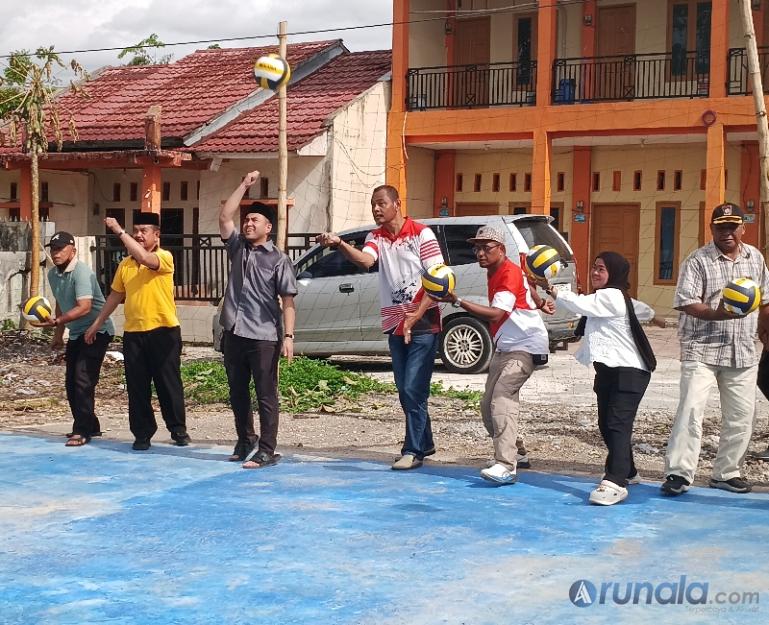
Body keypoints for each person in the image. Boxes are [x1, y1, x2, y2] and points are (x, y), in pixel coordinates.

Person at [317, 185, 444, 470]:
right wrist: (339, 244)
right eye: (373, 204)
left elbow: (438, 281)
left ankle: (412, 450)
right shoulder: (375, 236)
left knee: (413, 386)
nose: (376, 209)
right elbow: (366, 260)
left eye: (381, 203)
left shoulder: (422, 233)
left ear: (397, 204)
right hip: (394, 322)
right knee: (405, 388)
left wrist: (414, 316)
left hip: (423, 321)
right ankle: (425, 441)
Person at [427, 225, 552, 484]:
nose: (480, 253)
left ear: (501, 250)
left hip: (526, 347)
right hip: (505, 346)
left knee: (502, 397)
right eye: (477, 247)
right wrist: (540, 302)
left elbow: (496, 314)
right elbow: (528, 286)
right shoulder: (503, 267)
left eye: (486, 247)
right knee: (487, 406)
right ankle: (516, 450)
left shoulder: (507, 273)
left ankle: (506, 465)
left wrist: (457, 301)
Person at [662, 203, 769, 496]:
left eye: (733, 226)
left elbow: (765, 300)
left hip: (743, 351)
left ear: (742, 228)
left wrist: (766, 332)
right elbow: (685, 301)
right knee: (691, 411)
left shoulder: (756, 258)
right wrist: (717, 314)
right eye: (721, 227)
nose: (727, 232)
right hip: (703, 350)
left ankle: (726, 472)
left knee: (741, 416)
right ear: (711, 229)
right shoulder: (698, 260)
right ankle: (679, 474)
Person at [548, 252, 660, 505]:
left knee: (617, 425)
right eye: (594, 268)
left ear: (615, 273)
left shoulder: (610, 296)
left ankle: (616, 481)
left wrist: (556, 292)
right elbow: (640, 309)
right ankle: (629, 471)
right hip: (610, 370)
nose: (595, 273)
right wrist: (654, 316)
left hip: (628, 372)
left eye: (601, 269)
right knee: (606, 424)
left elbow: (581, 305)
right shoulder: (618, 297)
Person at [85, 213, 190, 451]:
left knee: (168, 383)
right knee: (137, 387)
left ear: (156, 235)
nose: (139, 235)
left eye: (144, 230)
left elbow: (145, 257)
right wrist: (97, 322)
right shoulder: (125, 264)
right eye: (136, 231)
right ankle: (142, 433)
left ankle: (177, 428)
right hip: (134, 334)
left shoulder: (164, 258)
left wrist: (118, 231)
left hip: (164, 331)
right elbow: (115, 295)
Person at [219, 171, 297, 469]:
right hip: (234, 332)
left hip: (264, 336)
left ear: (268, 227)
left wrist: (288, 338)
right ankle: (245, 439)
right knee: (237, 391)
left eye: (255, 221)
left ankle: (267, 449)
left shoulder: (278, 259)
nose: (248, 223)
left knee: (266, 394)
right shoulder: (237, 248)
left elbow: (288, 301)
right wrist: (244, 184)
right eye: (247, 219)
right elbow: (225, 216)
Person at [39, 231, 115, 447]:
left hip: (97, 330)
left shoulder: (81, 272)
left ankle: (82, 430)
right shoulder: (53, 275)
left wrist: (57, 321)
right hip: (76, 333)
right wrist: (57, 334)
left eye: (61, 249)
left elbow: (85, 307)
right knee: (71, 382)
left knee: (83, 379)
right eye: (53, 249)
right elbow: (61, 303)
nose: (56, 254)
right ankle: (91, 424)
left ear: (73, 250)